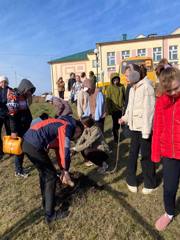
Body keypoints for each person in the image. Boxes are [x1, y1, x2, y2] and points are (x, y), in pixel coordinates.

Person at [22, 116, 84, 223]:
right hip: (34, 144)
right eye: (79, 134)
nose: (77, 137)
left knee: (44, 174)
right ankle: (50, 215)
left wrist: (63, 169)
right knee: (50, 177)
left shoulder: (60, 124)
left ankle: (46, 204)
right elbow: (65, 149)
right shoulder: (67, 126)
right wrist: (65, 170)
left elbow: (58, 150)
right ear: (78, 128)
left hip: (27, 142)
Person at [119, 64, 156, 194]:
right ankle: (131, 180)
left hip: (144, 128)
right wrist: (124, 118)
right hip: (134, 127)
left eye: (128, 75)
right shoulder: (132, 88)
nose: (125, 77)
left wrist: (146, 132)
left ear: (135, 74)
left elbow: (149, 112)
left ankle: (150, 183)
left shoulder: (147, 87)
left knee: (146, 156)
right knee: (132, 154)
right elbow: (130, 108)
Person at [151, 66, 180, 231]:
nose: (173, 93)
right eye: (169, 90)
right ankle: (169, 213)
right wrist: (155, 153)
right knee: (169, 187)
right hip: (169, 153)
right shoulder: (162, 101)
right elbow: (158, 127)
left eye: (176, 88)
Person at [7, 79, 36, 177]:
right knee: (19, 149)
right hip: (18, 127)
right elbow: (12, 116)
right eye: (29, 90)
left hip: (26, 126)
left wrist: (29, 96)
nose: (29, 92)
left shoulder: (24, 96)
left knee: (25, 147)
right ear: (24, 87)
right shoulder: (13, 96)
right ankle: (18, 171)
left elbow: (27, 108)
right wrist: (14, 131)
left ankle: (20, 167)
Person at [106, 72, 125, 143]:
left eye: (117, 80)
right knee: (115, 124)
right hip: (114, 110)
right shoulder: (109, 89)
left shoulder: (122, 86)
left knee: (121, 123)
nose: (116, 81)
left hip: (121, 108)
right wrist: (109, 110)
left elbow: (125, 97)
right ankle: (116, 138)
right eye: (114, 80)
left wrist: (124, 106)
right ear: (112, 80)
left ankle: (119, 134)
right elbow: (108, 101)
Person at [0, 76, 12, 159]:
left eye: (5, 82)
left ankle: (10, 149)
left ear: (7, 82)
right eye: (1, 82)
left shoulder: (10, 90)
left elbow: (12, 101)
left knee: (9, 132)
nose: (3, 83)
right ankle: (1, 151)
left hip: (8, 114)